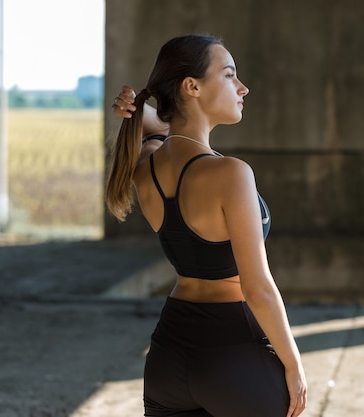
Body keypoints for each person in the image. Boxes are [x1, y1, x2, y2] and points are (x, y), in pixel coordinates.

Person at [107, 34, 307, 417]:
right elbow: (259, 288)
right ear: (192, 86)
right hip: (233, 355)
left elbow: (154, 131)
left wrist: (139, 111)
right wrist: (294, 363)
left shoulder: (145, 165)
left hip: (168, 356)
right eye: (230, 75)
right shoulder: (231, 173)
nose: (242, 87)